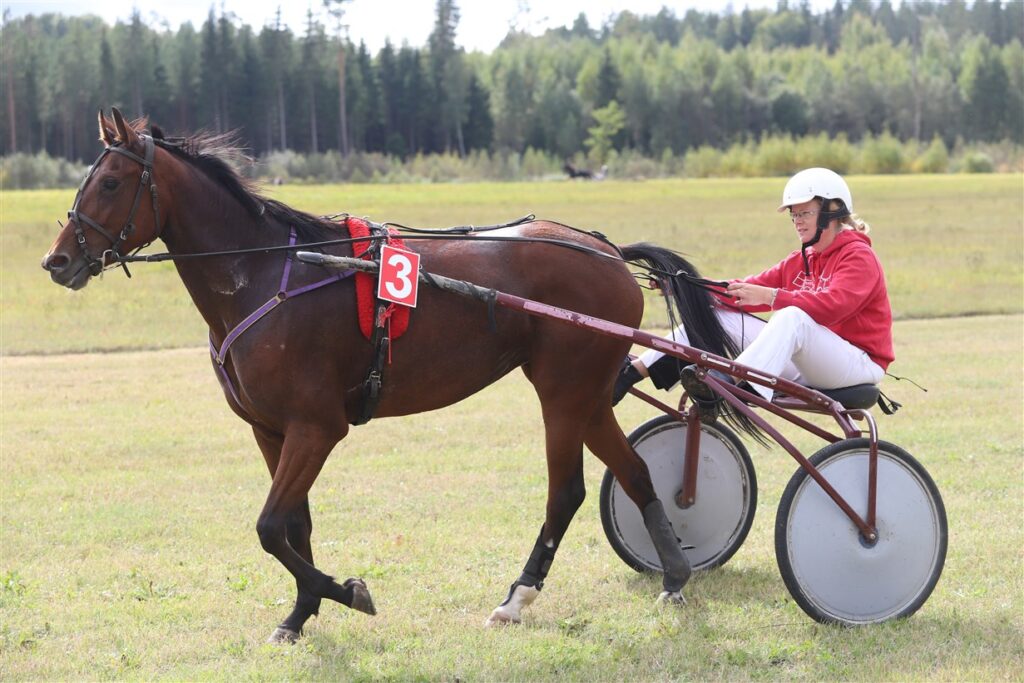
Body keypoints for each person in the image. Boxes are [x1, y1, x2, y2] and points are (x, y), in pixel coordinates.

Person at [613, 167, 893, 419]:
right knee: (719, 315)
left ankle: (724, 384)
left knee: (791, 317)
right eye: (794, 215)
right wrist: (684, 287)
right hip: (810, 361)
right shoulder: (800, 259)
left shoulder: (858, 256)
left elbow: (835, 306)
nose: (797, 221)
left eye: (805, 213)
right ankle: (630, 373)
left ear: (833, 211)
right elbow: (741, 291)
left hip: (858, 365)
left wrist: (771, 297)